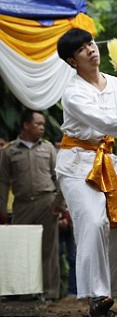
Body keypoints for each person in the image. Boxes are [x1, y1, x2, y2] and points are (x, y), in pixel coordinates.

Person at [55, 28, 117, 317]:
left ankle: (111, 292)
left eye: (91, 43)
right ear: (72, 61)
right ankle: (96, 295)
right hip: (76, 165)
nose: (91, 50)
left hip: (105, 161)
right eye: (83, 49)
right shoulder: (71, 92)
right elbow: (104, 121)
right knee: (92, 222)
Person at [0, 110, 65, 301]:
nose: (42, 127)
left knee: (48, 249)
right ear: (26, 125)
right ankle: (24, 291)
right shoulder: (10, 150)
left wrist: (59, 202)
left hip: (47, 202)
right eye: (38, 124)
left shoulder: (48, 148)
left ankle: (50, 292)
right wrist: (2, 209)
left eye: (43, 124)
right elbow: (3, 181)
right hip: (22, 204)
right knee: (21, 248)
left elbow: (58, 176)